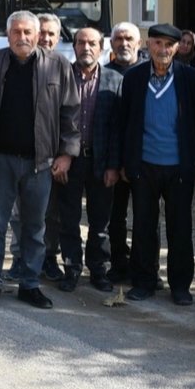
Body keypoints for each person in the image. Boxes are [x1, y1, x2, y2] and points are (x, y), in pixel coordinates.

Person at [0, 11, 79, 310]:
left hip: (40, 162)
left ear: (37, 34)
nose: (22, 37)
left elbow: (71, 111)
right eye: (16, 32)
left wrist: (66, 153)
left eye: (27, 32)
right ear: (7, 36)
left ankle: (30, 284)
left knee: (35, 226)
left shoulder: (57, 64)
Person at [114, 23, 195, 305]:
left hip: (179, 167)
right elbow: (123, 123)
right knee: (143, 226)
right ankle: (144, 280)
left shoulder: (190, 80)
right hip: (144, 165)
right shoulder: (134, 78)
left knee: (180, 228)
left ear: (177, 48)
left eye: (169, 45)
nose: (163, 50)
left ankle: (180, 286)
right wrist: (124, 163)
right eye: (157, 43)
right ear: (148, 45)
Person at [53, 27, 122, 293]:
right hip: (70, 161)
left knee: (100, 221)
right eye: (81, 42)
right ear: (74, 47)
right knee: (68, 218)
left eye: (92, 43)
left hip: (101, 161)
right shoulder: (61, 77)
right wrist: (61, 154)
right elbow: (53, 120)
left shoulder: (115, 80)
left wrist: (114, 165)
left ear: (102, 47)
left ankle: (98, 269)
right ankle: (71, 269)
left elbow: (118, 127)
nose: (86, 48)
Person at [105, 21, 144, 282]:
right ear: (111, 44)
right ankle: (118, 264)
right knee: (115, 218)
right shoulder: (103, 74)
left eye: (129, 38)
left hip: (143, 161)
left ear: (139, 44)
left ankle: (145, 267)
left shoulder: (150, 74)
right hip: (111, 160)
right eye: (118, 39)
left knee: (146, 218)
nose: (124, 43)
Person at [33, 12, 65, 283]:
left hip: (52, 157)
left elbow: (70, 114)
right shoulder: (16, 62)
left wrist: (66, 154)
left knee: (51, 213)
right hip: (21, 156)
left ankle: (49, 258)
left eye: (50, 34)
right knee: (22, 214)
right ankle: (24, 260)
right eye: (41, 32)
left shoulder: (63, 65)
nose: (45, 38)